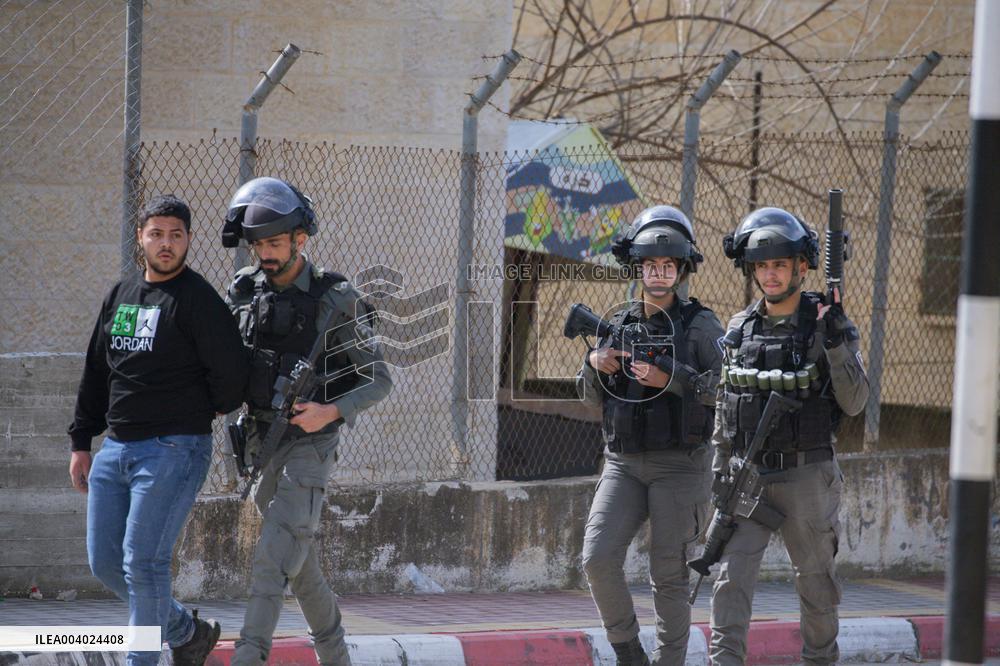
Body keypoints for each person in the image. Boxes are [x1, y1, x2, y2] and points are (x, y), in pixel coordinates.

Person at [68, 194, 249, 666]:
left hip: (173, 448)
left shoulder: (198, 301)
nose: (166, 244)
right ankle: (186, 632)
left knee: (144, 563)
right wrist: (81, 442)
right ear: (141, 238)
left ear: (188, 239)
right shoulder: (121, 294)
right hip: (115, 449)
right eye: (156, 234)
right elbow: (96, 371)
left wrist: (198, 410)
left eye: (175, 235)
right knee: (107, 563)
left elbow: (231, 375)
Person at [223, 177, 393, 666]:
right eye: (258, 245)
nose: (265, 254)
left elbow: (379, 379)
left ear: (300, 239)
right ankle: (337, 657)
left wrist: (329, 412)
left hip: (310, 446)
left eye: (274, 243)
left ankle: (248, 656)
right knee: (298, 564)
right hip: (261, 443)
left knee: (271, 562)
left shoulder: (336, 299)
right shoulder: (245, 291)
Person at [709, 207, 869, 664]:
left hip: (807, 475)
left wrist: (835, 342)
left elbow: (856, 402)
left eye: (779, 264)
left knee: (816, 583)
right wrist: (719, 471)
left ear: (801, 266)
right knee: (730, 580)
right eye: (761, 266)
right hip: (748, 476)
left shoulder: (828, 325)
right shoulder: (739, 328)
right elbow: (726, 403)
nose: (770, 274)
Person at [576, 206, 724, 665]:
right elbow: (590, 398)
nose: (658, 273)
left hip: (680, 465)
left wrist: (671, 379)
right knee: (598, 558)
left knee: (669, 574)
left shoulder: (700, 325)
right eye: (650, 264)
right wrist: (593, 364)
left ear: (681, 270)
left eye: (668, 265)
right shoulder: (619, 323)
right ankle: (629, 654)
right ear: (637, 268)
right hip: (623, 463)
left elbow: (726, 389)